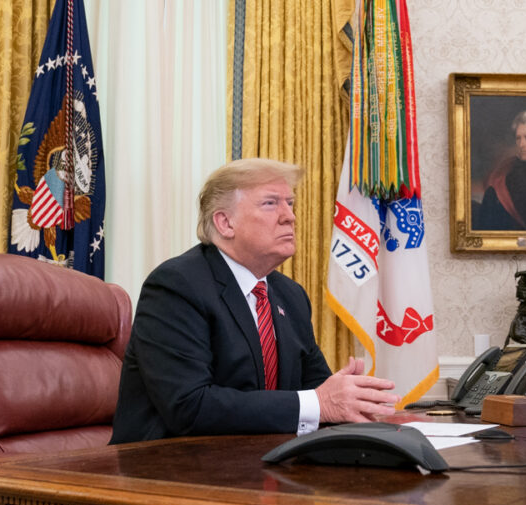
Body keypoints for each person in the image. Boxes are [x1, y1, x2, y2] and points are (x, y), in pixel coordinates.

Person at [110, 158, 398, 444]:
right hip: (163, 471)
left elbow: (315, 390)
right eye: (271, 203)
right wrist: (321, 403)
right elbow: (190, 407)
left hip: (259, 463)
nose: (290, 216)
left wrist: (350, 400)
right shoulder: (176, 286)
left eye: (290, 203)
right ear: (225, 223)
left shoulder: (291, 296)